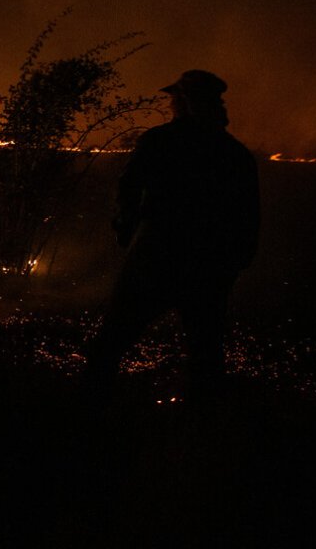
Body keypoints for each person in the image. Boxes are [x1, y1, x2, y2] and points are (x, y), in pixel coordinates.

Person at [83, 70, 260, 403]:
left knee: (113, 338)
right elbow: (248, 213)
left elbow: (128, 188)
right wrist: (236, 259)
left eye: (175, 98)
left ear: (184, 101)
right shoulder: (233, 153)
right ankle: (203, 420)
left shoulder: (160, 140)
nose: (171, 104)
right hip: (209, 263)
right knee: (205, 350)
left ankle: (90, 408)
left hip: (156, 256)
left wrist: (127, 230)